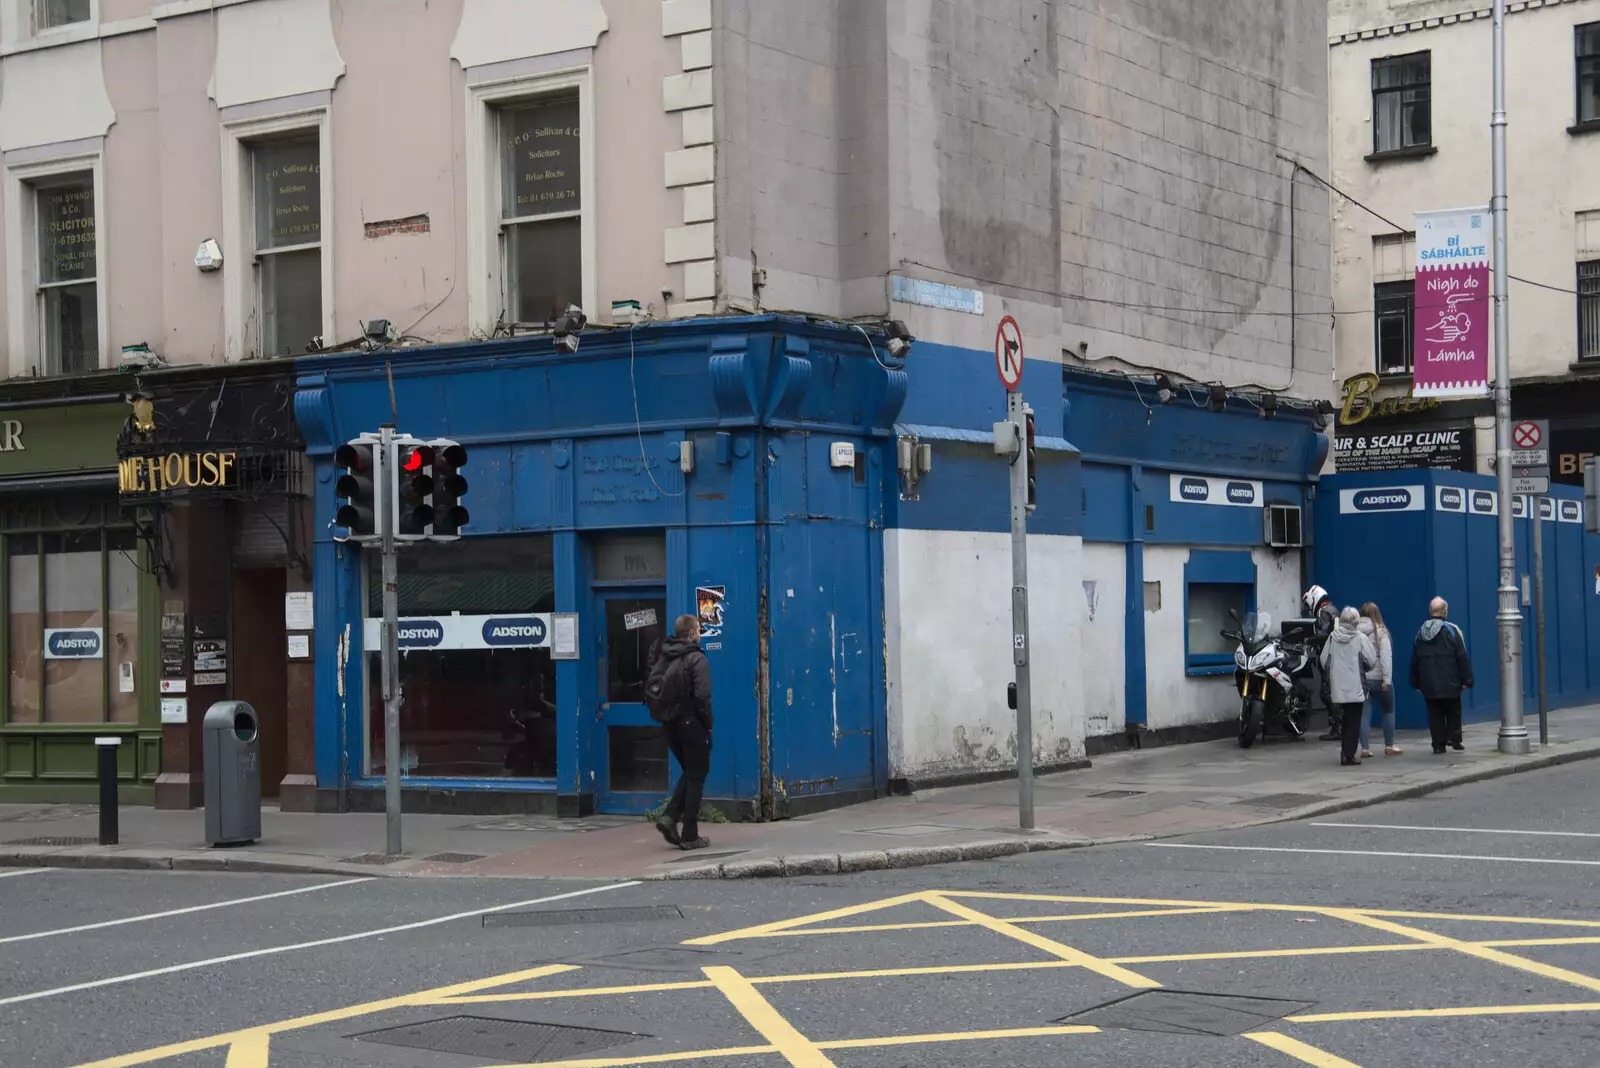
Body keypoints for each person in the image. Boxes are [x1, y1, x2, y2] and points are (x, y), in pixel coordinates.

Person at [651, 614, 715, 850]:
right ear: (691, 634)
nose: (700, 633)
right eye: (698, 629)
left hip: (670, 725)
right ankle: (689, 834)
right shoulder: (697, 659)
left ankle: (670, 817)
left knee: (690, 771)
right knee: (697, 774)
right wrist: (707, 724)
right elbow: (702, 696)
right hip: (692, 724)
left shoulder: (665, 657)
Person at [1409, 596, 1473, 754]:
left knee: (1434, 712)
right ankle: (1455, 738)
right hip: (1450, 679)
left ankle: (1438, 744)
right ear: (1444, 611)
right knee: (1454, 709)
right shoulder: (1451, 630)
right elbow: (1461, 656)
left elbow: (1415, 659)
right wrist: (1467, 679)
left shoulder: (1420, 632)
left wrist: (1415, 682)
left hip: (1429, 682)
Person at [1321, 606, 1376, 766]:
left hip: (1337, 685)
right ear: (1356, 621)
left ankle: (1345, 752)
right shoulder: (1360, 638)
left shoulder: (1332, 637)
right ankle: (1349, 754)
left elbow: (1324, 660)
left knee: (1344, 720)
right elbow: (1371, 661)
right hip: (1356, 685)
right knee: (1354, 720)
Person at [1358, 603, 1401, 757]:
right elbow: (1385, 657)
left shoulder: (1355, 632)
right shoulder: (1381, 632)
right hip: (1379, 678)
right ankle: (1389, 745)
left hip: (1363, 679)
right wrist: (1387, 680)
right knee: (1388, 711)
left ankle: (1364, 749)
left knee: (1363, 714)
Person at [1304, 585, 1341, 740]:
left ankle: (1337, 727)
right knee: (1332, 692)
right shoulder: (1333, 609)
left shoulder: (1324, 612)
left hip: (1330, 657)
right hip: (1337, 656)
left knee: (1327, 693)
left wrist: (1307, 639)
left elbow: (1324, 634)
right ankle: (1339, 725)